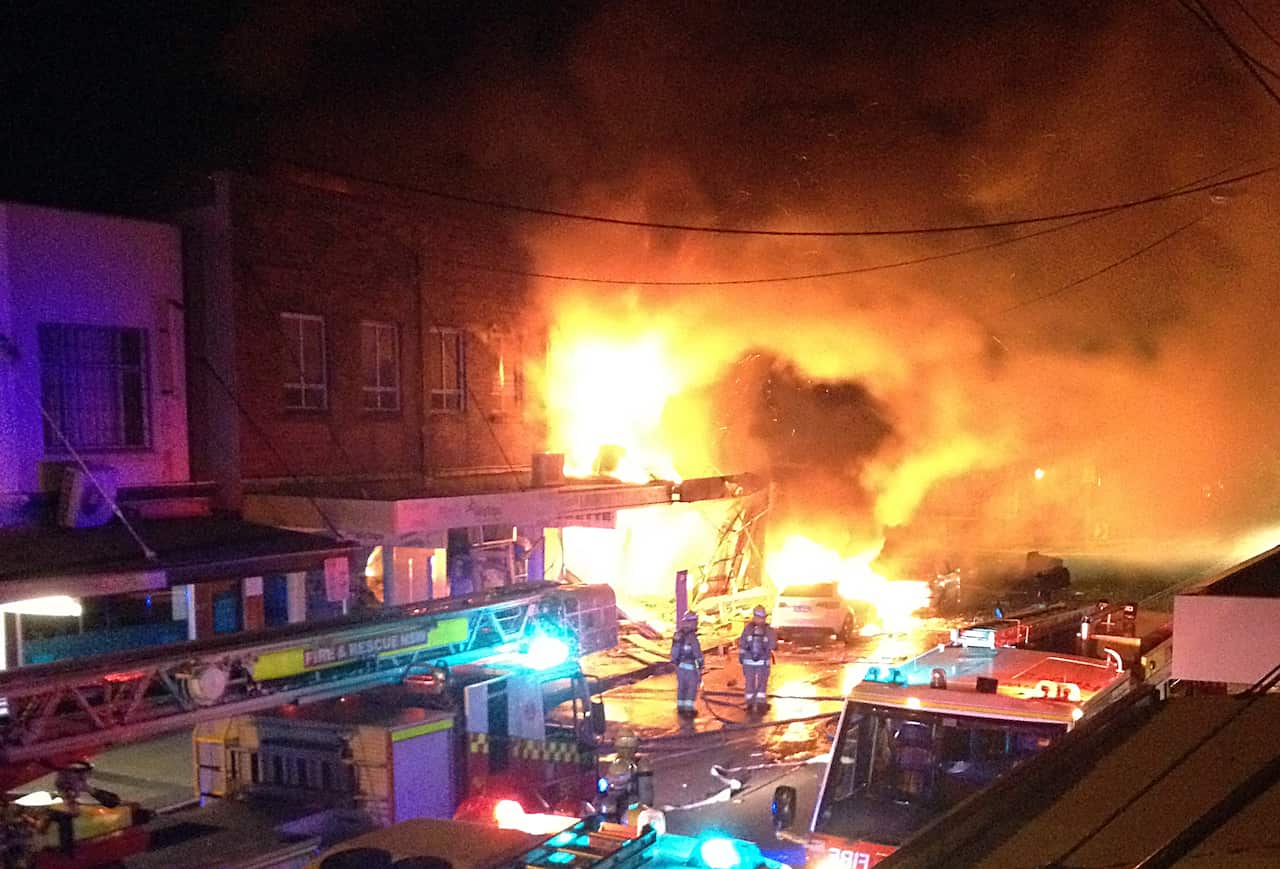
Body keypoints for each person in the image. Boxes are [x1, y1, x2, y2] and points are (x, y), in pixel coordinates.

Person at [738, 605, 777, 711]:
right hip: (763, 662)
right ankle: (760, 703)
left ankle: (749, 703)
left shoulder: (747, 629)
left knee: (749, 682)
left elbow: (741, 643)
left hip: (748, 661)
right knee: (762, 683)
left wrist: (741, 656)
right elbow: (773, 646)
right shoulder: (769, 630)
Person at [671, 611, 704, 717]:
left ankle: (681, 708)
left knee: (682, 687)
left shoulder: (678, 635)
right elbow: (697, 652)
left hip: (680, 667)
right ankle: (689, 709)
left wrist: (675, 662)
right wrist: (701, 663)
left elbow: (674, 651)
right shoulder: (692, 637)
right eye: (695, 621)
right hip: (690, 667)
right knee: (691, 688)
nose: (696, 623)